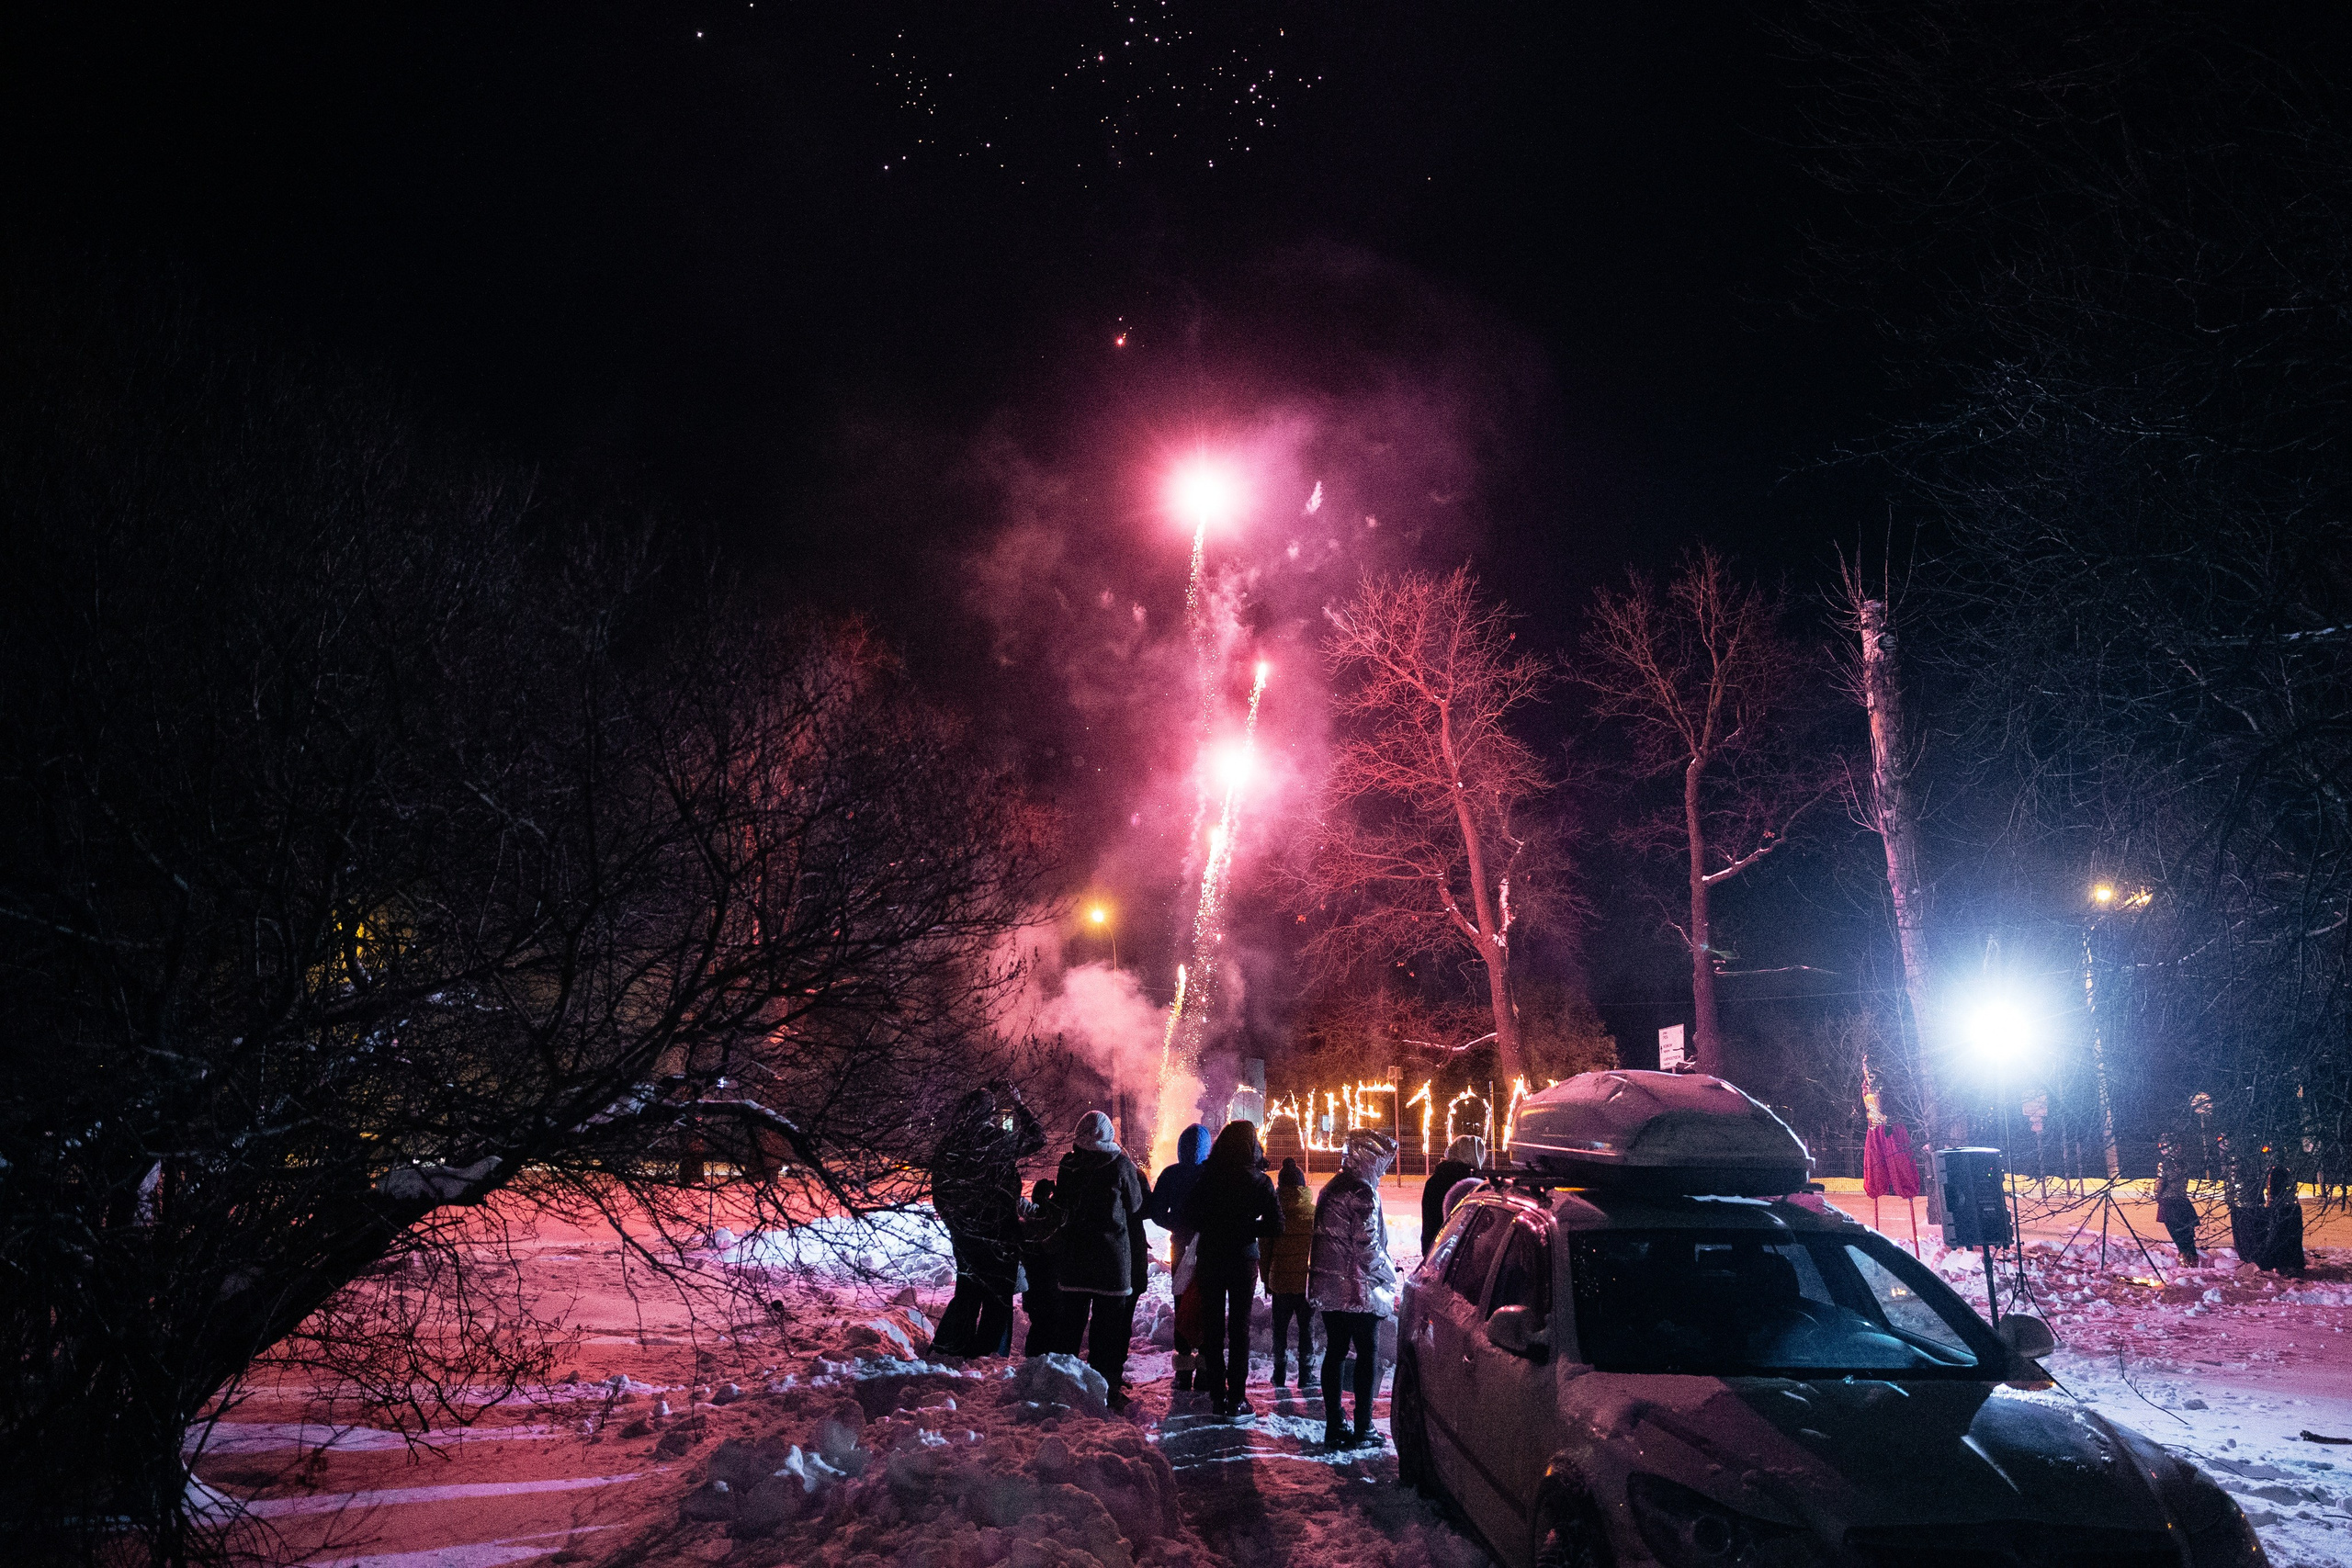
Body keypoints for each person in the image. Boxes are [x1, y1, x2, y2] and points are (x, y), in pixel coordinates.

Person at [930, 1082, 1044, 1357]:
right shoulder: (995, 1142)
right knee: (998, 1297)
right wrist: (1019, 1104)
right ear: (989, 1114)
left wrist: (953, 1221)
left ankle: (952, 1347)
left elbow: (939, 1190)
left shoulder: (950, 1143)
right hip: (1000, 1231)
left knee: (967, 1291)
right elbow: (1038, 1138)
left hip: (965, 1233)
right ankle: (989, 1353)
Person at [1180, 1121, 1284, 1418]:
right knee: (1239, 1329)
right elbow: (1277, 1225)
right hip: (1243, 1260)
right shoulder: (1260, 1181)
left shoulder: (1207, 1177)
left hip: (1211, 1258)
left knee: (1213, 1327)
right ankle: (1237, 1399)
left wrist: (1214, 1226)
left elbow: (1188, 1215)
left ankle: (1216, 1396)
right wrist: (1246, 1226)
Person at [1309, 1129, 1399, 1450]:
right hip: (1358, 1289)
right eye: (1382, 1163)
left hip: (1329, 1287)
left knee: (1334, 1351)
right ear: (1369, 1159)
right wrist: (1389, 1272)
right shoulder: (1363, 1193)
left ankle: (1335, 1423)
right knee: (1367, 1353)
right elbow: (1367, 1246)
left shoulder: (1331, 1187)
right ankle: (1364, 1426)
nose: (1385, 1170)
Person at [1051, 1111, 1148, 1401]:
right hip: (1112, 1264)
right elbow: (1135, 1205)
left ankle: (1062, 1385)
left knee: (1069, 1327)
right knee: (1107, 1331)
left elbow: (1061, 1204)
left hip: (1075, 1261)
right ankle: (1105, 1389)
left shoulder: (1069, 1165)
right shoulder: (1120, 1164)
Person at [1146, 1122, 1210, 1391]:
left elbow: (1156, 1211)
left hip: (1181, 1246)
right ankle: (1206, 1369)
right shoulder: (1213, 1174)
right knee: (1209, 1304)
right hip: (1209, 1248)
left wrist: (1175, 1224)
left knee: (1182, 1302)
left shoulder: (1171, 1174)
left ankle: (1183, 1371)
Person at [1261, 1157, 1317, 1388]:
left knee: (1279, 1330)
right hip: (1305, 1281)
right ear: (1303, 1186)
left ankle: (1279, 1373)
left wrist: (1266, 1279)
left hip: (1280, 1280)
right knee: (1307, 1328)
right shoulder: (1314, 1213)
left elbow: (1264, 1250)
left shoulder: (1273, 1212)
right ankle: (1306, 1374)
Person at [1018, 1179, 1063, 1357]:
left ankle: (1033, 1361)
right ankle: (1043, 1361)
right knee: (1049, 1327)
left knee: (1039, 1327)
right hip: (1049, 1291)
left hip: (1034, 1292)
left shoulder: (1028, 1225)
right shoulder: (1050, 1226)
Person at [1421, 1134, 1485, 1257]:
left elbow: (1429, 1223)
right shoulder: (1474, 1184)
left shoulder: (1435, 1181)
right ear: (1475, 1155)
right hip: (1464, 1256)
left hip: (1435, 1252)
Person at [2217, 1132, 2265, 1266]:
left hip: (2242, 1204)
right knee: (2250, 1233)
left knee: (2245, 1234)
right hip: (2250, 1202)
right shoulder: (2250, 1158)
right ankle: (2251, 1256)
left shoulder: (2235, 1161)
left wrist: (2230, 1198)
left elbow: (2233, 1182)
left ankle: (2250, 1258)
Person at [2152, 1136, 2199, 1267]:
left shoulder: (2164, 1164)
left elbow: (2159, 1184)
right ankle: (2193, 1260)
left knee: (2177, 1234)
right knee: (2187, 1234)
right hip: (2183, 1201)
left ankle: (2184, 1262)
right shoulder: (2184, 1163)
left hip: (2169, 1203)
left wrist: (2157, 1195)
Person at [2256, 1164, 2306, 1278]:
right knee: (2287, 1238)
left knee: (2283, 1237)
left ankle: (2285, 1264)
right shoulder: (2285, 1169)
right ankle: (2287, 1264)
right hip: (2287, 1207)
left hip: (2282, 1208)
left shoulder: (2276, 1170)